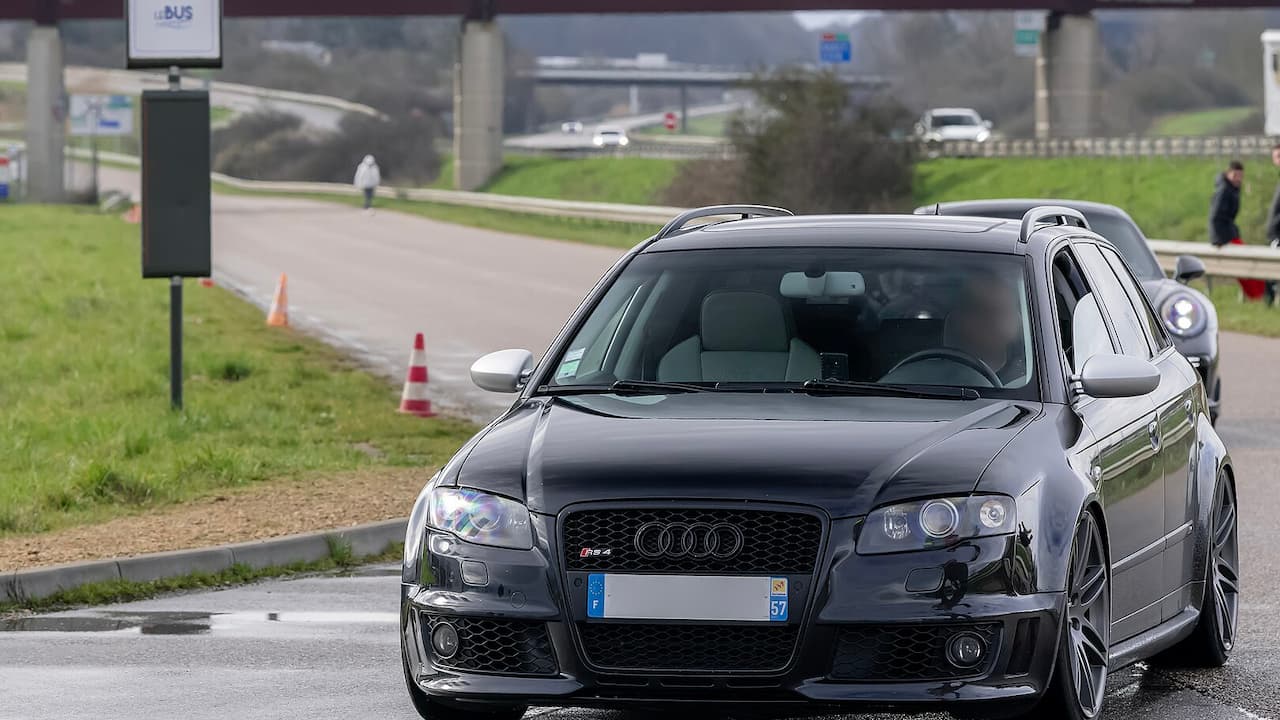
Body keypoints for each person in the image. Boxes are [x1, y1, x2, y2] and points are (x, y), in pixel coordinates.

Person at [1208, 160, 1268, 300]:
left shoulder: (1232, 189)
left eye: (1240, 176)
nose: (1238, 179)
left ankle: (1257, 295)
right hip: (1224, 237)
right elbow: (1215, 216)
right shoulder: (1224, 190)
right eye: (1235, 175)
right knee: (1245, 264)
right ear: (1228, 173)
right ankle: (1257, 295)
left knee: (1245, 264)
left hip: (1229, 233)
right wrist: (1217, 240)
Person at [1266, 145, 1280, 306]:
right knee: (1271, 269)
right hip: (1276, 234)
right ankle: (1268, 301)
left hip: (1276, 233)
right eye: (1276, 157)